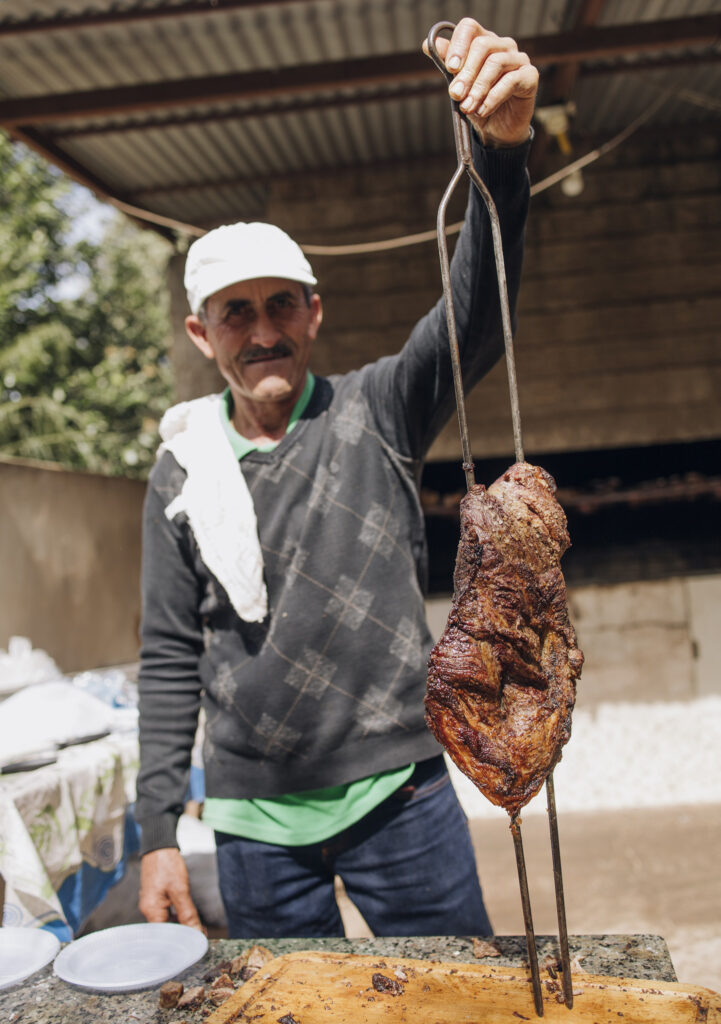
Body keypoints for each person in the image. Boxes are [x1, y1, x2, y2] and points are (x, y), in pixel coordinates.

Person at [136, 17, 538, 938]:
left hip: (403, 798)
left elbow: (476, 314)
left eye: (282, 303)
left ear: (314, 312)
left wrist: (501, 158)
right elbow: (166, 658)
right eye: (236, 313)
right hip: (253, 826)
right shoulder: (180, 474)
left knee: (457, 1004)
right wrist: (156, 828)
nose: (263, 329)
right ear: (202, 335)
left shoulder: (378, 409)